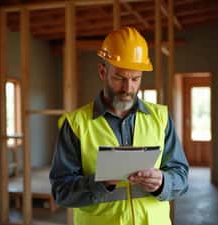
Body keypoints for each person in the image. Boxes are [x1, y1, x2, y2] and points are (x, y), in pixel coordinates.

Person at [50, 26, 189, 225]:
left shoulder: (161, 118)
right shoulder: (76, 124)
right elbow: (61, 191)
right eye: (119, 78)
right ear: (102, 71)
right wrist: (101, 182)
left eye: (135, 79)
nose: (128, 88)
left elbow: (182, 178)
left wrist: (163, 182)